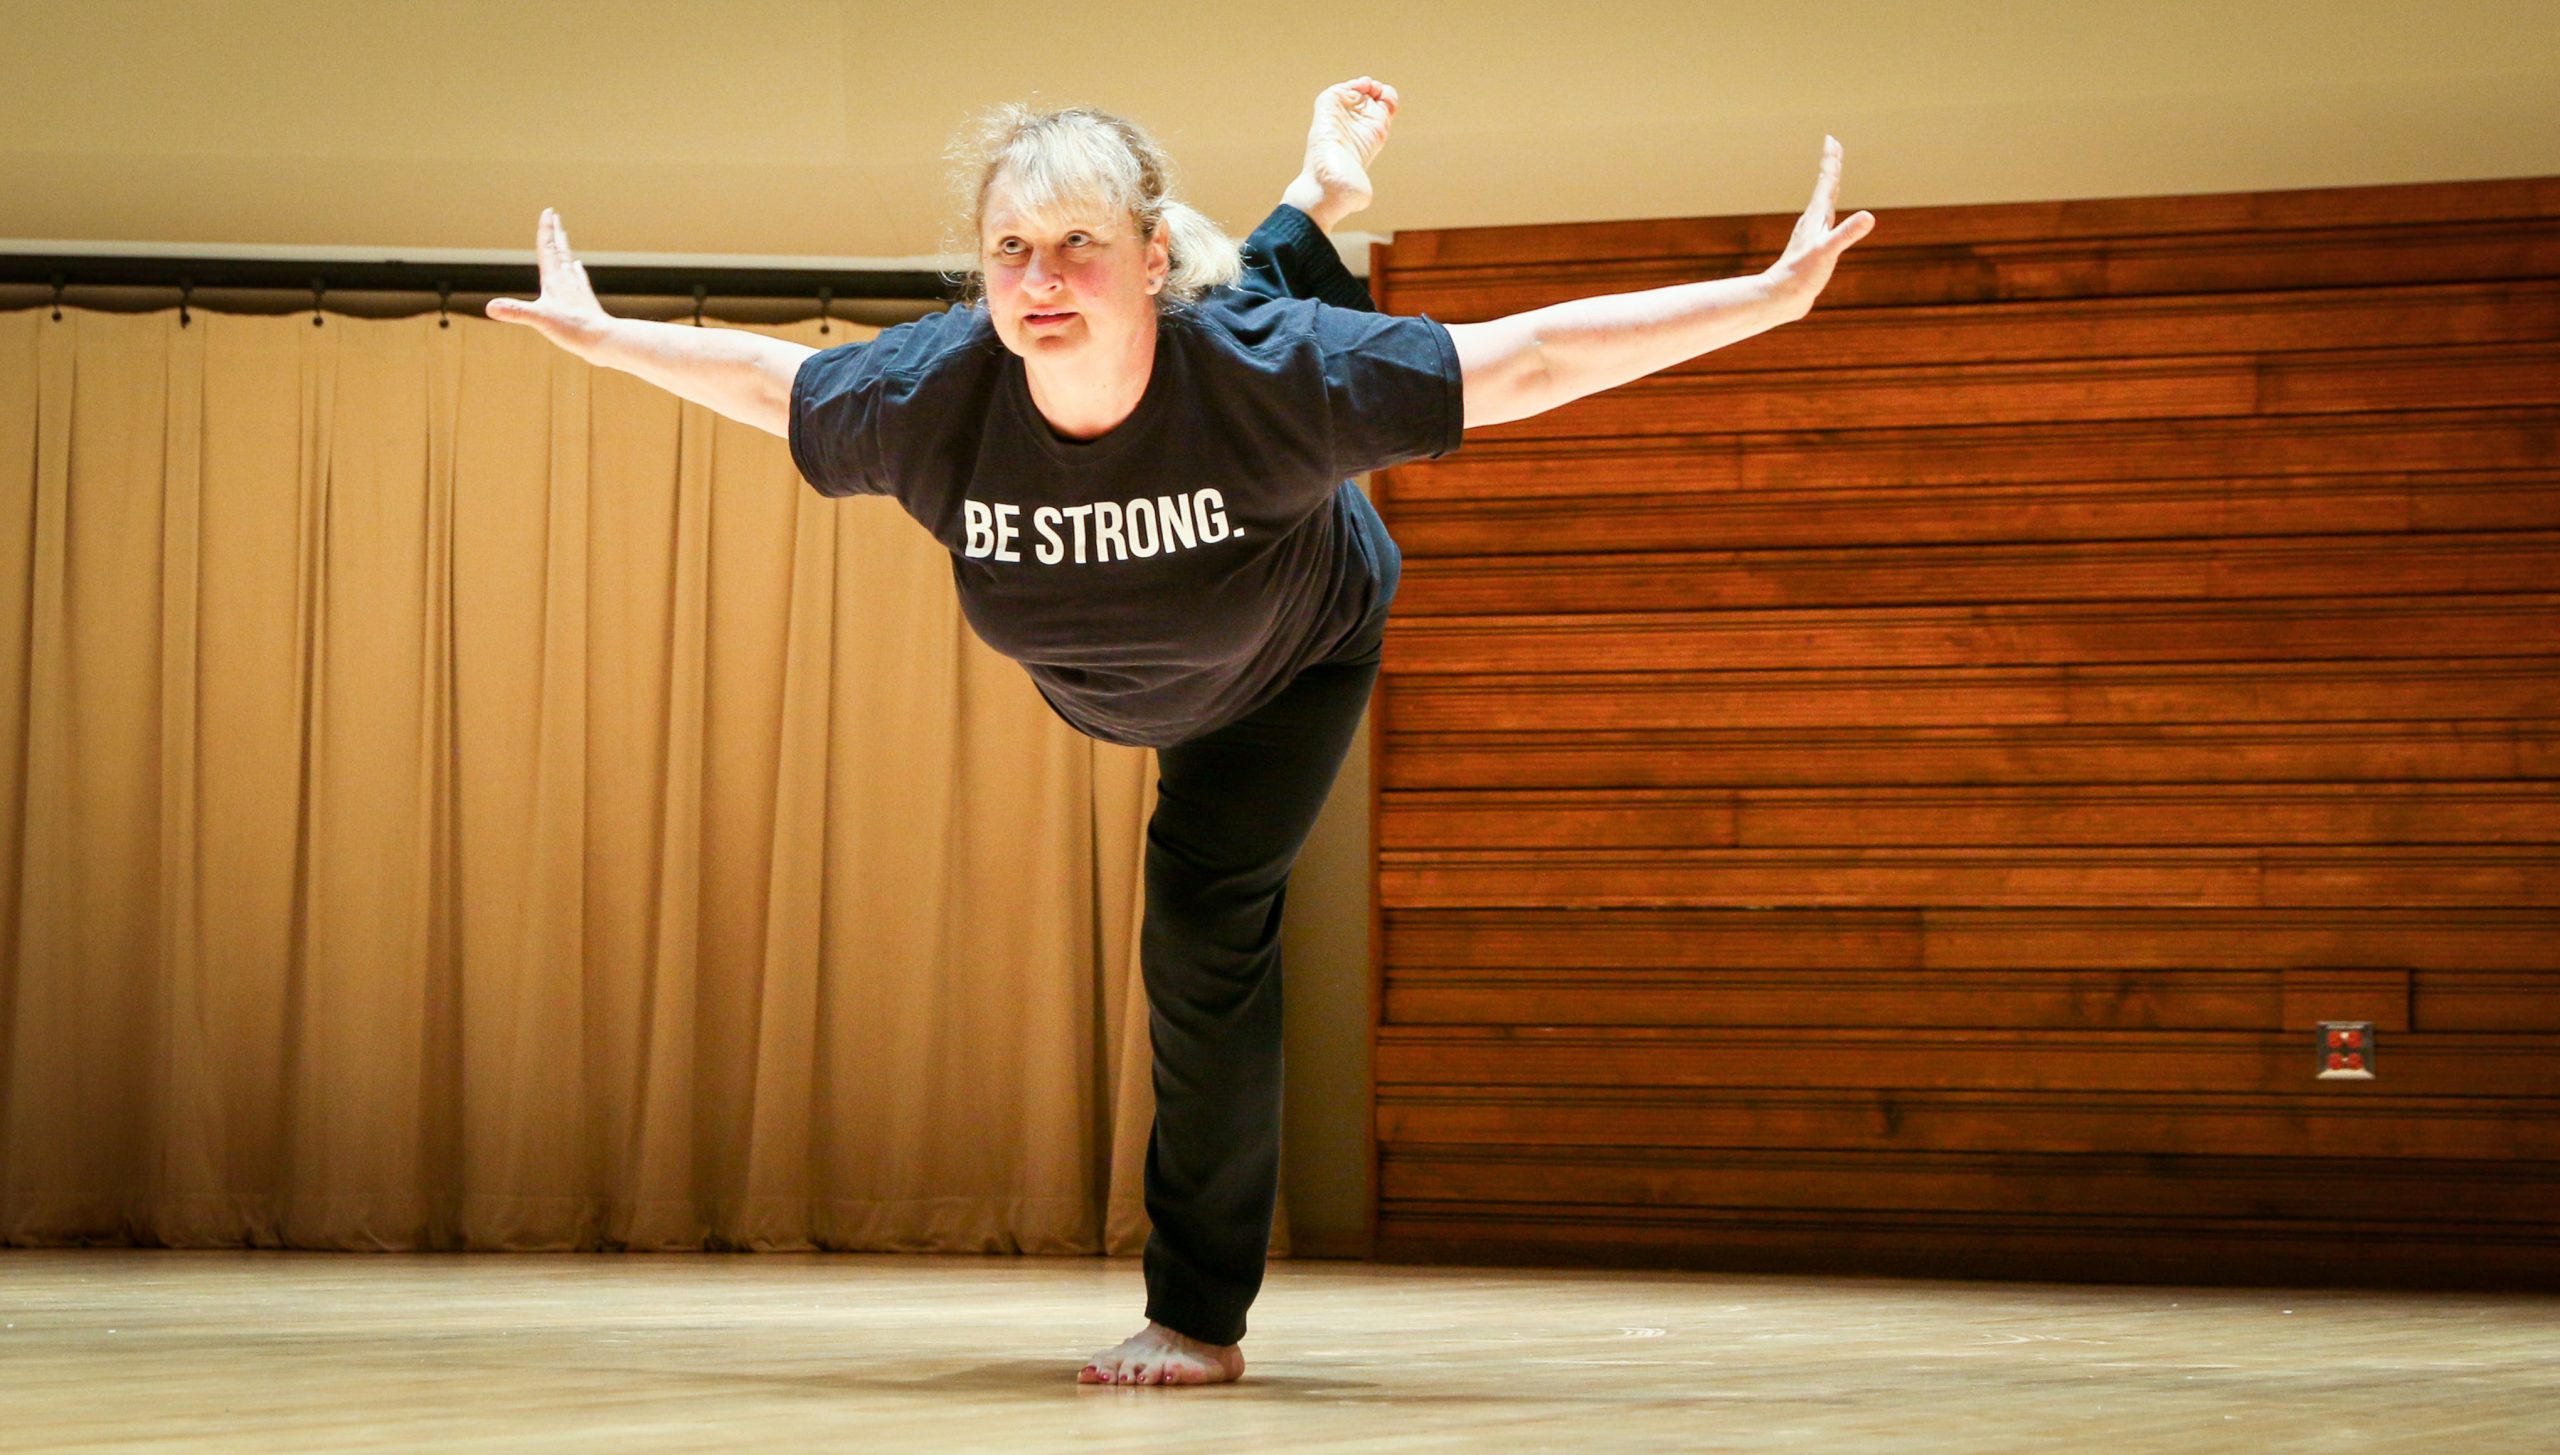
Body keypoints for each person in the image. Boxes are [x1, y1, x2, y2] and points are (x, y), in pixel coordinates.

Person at [489, 77, 1873, 1387]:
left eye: (1077, 246)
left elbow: (1525, 362)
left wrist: (1763, 299)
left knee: (1202, 926)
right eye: (1011, 248)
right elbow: (768, 387)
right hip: (1118, 669)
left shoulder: (1272, 377)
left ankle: (1196, 1317)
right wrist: (603, 335)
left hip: (1288, 661)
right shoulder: (933, 392)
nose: (1037, 281)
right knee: (1238, 317)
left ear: (1147, 253)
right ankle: (1315, 193)